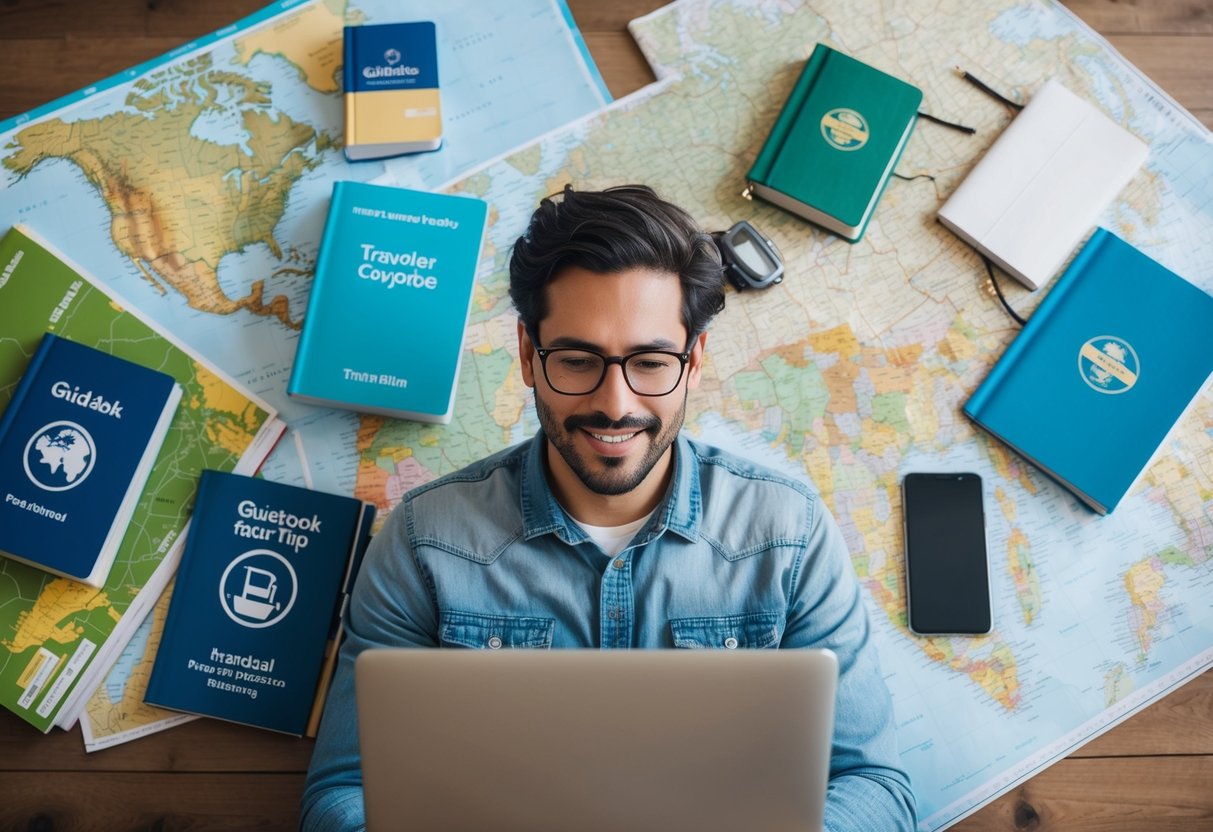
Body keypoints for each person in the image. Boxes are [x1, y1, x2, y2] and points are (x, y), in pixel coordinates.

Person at [300, 184, 916, 831]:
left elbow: (871, 785)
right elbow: (345, 793)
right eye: (577, 360)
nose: (615, 403)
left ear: (694, 360)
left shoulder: (787, 535)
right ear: (526, 356)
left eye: (649, 362)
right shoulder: (423, 542)